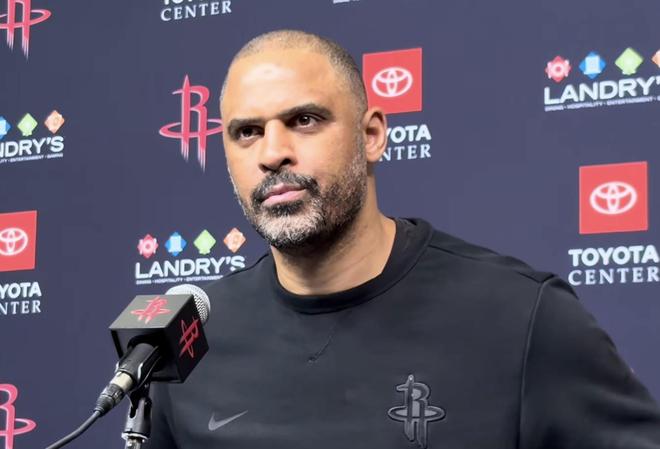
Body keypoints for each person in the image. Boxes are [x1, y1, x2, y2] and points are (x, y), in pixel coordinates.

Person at [145, 30, 660, 449]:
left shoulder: (525, 316)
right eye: (247, 132)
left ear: (371, 136)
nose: (272, 153)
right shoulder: (189, 338)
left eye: (304, 120)